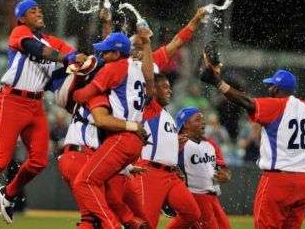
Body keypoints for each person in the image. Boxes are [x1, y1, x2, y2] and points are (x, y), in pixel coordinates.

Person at [0, 0, 88, 226]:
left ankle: (8, 193)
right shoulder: (20, 32)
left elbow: (72, 56)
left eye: (39, 9)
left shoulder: (52, 41)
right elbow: (37, 50)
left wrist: (82, 60)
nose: (38, 12)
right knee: (0, 161)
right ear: (22, 17)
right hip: (11, 100)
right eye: (32, 10)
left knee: (38, 162)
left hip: (35, 104)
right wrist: (67, 58)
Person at [201, 51, 305, 228]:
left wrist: (218, 82)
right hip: (303, 183)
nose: (269, 89)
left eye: (271, 86)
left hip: (278, 181)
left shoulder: (276, 105)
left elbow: (246, 102)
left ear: (276, 89)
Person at [71, 31, 154, 229]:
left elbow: (82, 95)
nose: (101, 56)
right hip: (134, 140)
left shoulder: (113, 68)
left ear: (116, 54)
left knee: (84, 182)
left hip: (122, 137)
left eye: (106, 52)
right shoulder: (136, 68)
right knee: (104, 188)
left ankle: (113, 225)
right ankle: (130, 222)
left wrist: (75, 79)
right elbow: (150, 81)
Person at [131, 74, 201, 229]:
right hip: (149, 172)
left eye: (169, 87)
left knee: (192, 214)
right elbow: (148, 79)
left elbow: (163, 146)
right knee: (147, 223)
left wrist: (177, 145)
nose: (169, 91)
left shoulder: (167, 115)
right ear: (152, 90)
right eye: (164, 87)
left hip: (170, 175)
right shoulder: (149, 109)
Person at [175, 106, 232, 229]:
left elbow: (223, 168)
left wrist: (226, 175)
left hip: (213, 196)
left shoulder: (211, 143)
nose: (203, 122)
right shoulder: (177, 144)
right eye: (198, 120)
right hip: (194, 197)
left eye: (202, 119)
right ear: (186, 124)